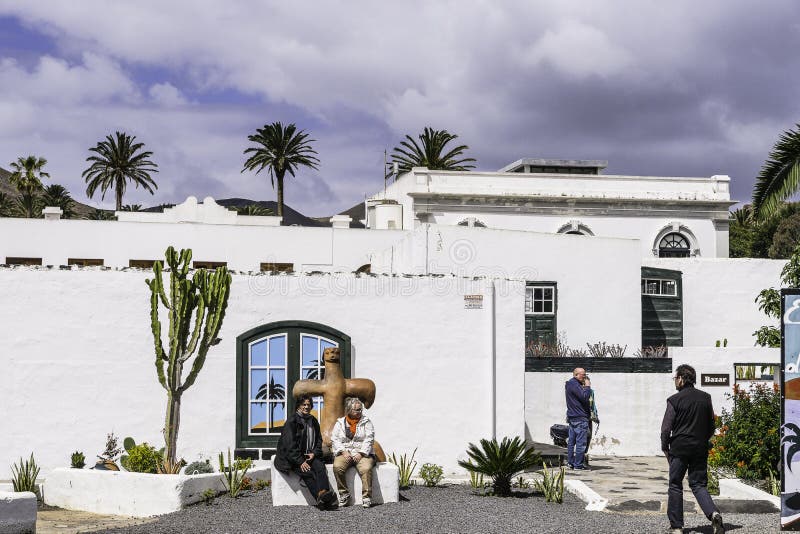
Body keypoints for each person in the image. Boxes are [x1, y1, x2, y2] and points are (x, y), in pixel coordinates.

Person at [661, 364, 725, 534]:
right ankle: (713, 513)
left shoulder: (674, 400)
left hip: (679, 448)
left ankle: (677, 527)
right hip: (699, 448)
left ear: (681, 379)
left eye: (676, 378)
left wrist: (665, 447)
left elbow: (666, 428)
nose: (675, 381)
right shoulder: (706, 398)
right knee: (699, 484)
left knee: (675, 485)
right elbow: (711, 425)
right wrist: (702, 439)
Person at [273, 394, 337, 510]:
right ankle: (321, 498)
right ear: (298, 406)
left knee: (320, 467)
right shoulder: (291, 422)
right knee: (306, 471)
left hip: (309, 455)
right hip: (293, 458)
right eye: (304, 404)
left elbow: (318, 440)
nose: (307, 407)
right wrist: (300, 461)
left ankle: (323, 493)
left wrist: (314, 453)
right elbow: (290, 446)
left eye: (309, 405)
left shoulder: (313, 421)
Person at [331, 397, 376, 508]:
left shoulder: (366, 422)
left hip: (363, 453)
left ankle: (366, 497)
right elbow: (334, 438)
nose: (359, 412)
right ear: (349, 410)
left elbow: (369, 439)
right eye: (357, 410)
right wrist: (343, 451)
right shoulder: (340, 423)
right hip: (345, 452)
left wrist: (361, 453)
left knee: (365, 468)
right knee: (337, 467)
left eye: (360, 409)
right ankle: (344, 494)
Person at [564, 367, 591, 470]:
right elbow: (584, 397)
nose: (584, 377)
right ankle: (578, 465)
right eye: (583, 375)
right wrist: (587, 387)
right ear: (576, 375)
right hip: (580, 418)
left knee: (571, 442)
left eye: (585, 374)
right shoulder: (574, 384)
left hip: (573, 417)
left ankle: (571, 463)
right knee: (581, 443)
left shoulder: (571, 384)